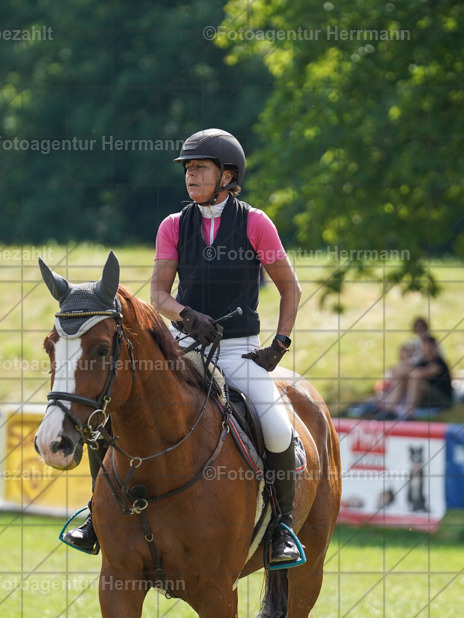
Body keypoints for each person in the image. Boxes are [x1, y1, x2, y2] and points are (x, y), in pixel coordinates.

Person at [61, 128, 305, 568]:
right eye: (188, 169)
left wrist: (278, 346)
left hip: (237, 349)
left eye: (200, 168)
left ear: (227, 175)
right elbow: (158, 294)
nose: (190, 176)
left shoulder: (255, 222)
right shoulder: (173, 225)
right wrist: (187, 316)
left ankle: (282, 527)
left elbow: (291, 289)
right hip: (181, 346)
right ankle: (97, 516)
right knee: (113, 410)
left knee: (274, 425)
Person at [380, 336, 453, 419]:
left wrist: (406, 371)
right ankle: (389, 409)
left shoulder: (439, 363)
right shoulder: (421, 362)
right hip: (425, 400)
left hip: (442, 400)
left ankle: (408, 414)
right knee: (402, 379)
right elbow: (398, 372)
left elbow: (420, 374)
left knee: (415, 379)